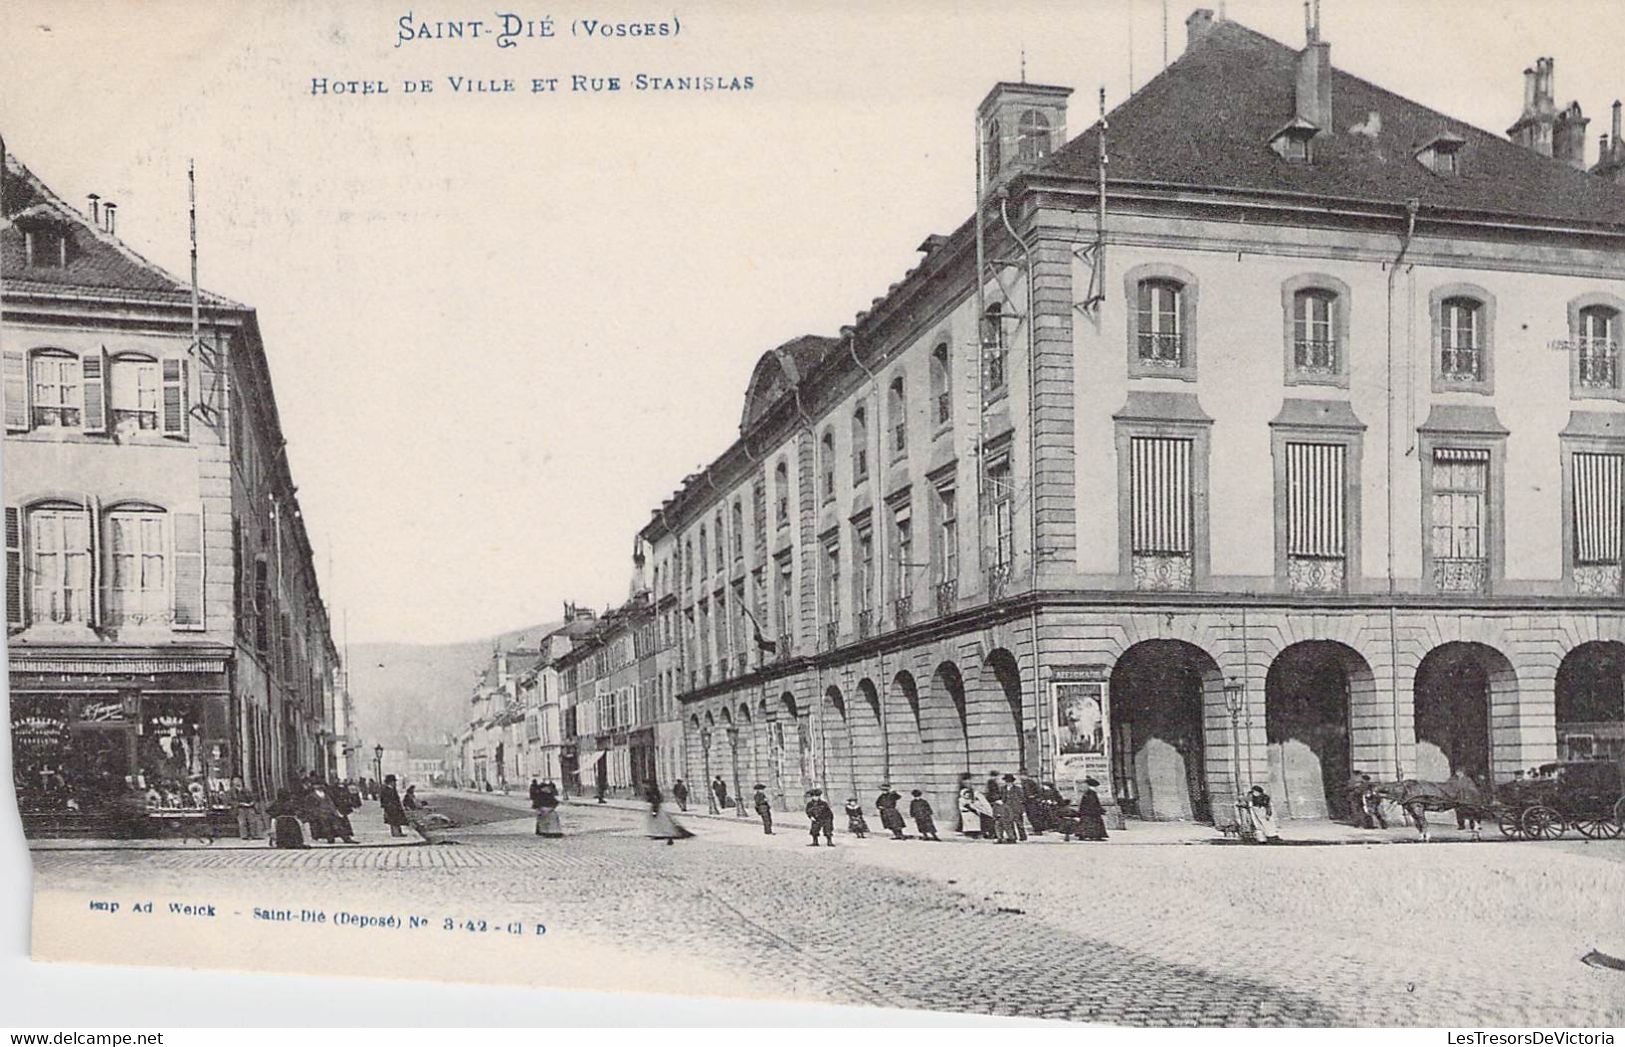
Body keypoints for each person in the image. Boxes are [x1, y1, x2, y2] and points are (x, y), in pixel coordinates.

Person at [644, 780, 692, 845]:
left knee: (660, 822)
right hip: (655, 807)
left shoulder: (651, 792)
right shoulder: (651, 791)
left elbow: (656, 801)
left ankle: (660, 833)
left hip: (656, 808)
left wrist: (654, 811)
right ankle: (658, 832)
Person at [1001, 774, 1028, 841]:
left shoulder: (1018, 789)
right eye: (1007, 781)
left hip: (1016, 808)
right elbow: (1002, 798)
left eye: (1010, 781)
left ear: (1012, 782)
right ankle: (1013, 836)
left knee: (1019, 823)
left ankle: (1023, 836)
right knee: (1010, 823)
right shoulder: (1003, 789)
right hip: (1007, 808)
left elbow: (1022, 799)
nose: (1008, 783)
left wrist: (1022, 809)